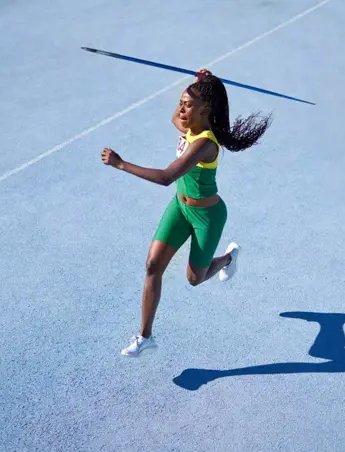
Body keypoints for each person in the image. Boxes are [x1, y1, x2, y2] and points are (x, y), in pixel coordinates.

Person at [101, 68, 272, 357]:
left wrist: (121, 164)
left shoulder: (204, 144)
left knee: (195, 278)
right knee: (153, 265)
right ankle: (145, 337)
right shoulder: (190, 126)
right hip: (180, 207)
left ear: (205, 110)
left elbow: (167, 177)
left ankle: (229, 258)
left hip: (208, 217)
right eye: (181, 102)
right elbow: (174, 118)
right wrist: (195, 86)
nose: (181, 109)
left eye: (188, 105)